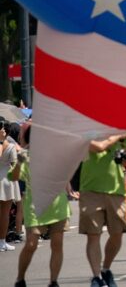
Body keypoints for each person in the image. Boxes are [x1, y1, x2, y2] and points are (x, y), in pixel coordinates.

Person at [79, 133, 126, 287]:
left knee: (117, 233)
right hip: (91, 190)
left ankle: (106, 269)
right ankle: (97, 277)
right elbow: (99, 147)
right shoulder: (86, 130)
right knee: (93, 235)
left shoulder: (115, 129)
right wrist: (118, 137)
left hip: (116, 190)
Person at [12, 124, 69, 287]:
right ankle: (20, 278)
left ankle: (53, 281)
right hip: (34, 205)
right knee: (31, 243)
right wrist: (19, 160)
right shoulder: (25, 155)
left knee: (57, 243)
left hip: (57, 204)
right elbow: (14, 177)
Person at [0, 118, 20, 252]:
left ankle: (2, 241)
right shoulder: (10, 146)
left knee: (5, 213)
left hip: (5, 180)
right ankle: (2, 241)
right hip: (6, 180)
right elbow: (15, 165)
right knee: (4, 214)